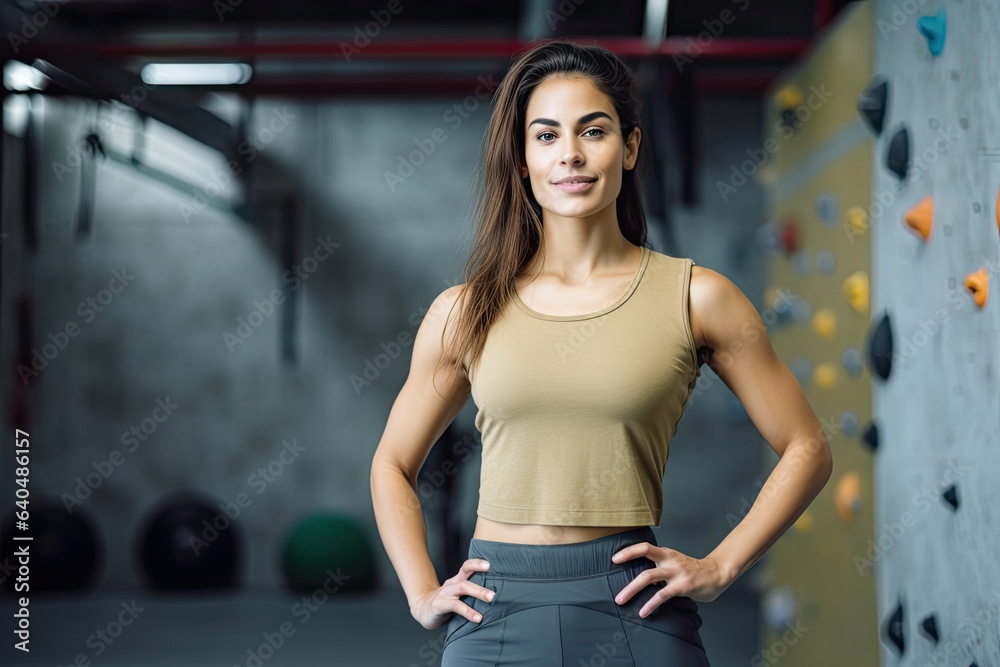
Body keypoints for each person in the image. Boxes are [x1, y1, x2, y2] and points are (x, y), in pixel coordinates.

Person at [370, 39, 833, 665]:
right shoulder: (463, 310)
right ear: (521, 159)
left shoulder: (699, 297)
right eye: (546, 135)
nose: (571, 154)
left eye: (594, 130)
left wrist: (723, 565)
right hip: (493, 607)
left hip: (633, 608)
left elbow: (807, 446)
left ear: (631, 147)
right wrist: (421, 592)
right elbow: (393, 464)